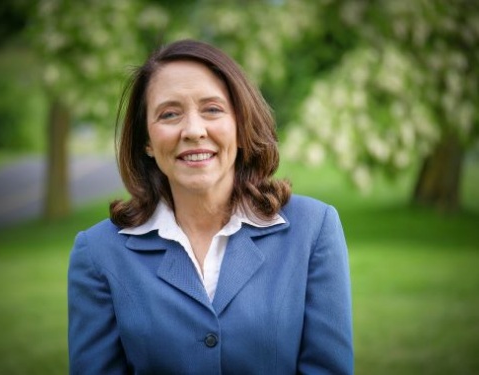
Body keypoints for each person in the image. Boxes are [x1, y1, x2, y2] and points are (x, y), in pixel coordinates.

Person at [68, 39, 353, 375]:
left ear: (241, 125)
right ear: (146, 140)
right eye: (169, 114)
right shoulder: (98, 253)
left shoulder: (314, 229)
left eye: (212, 109)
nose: (193, 130)